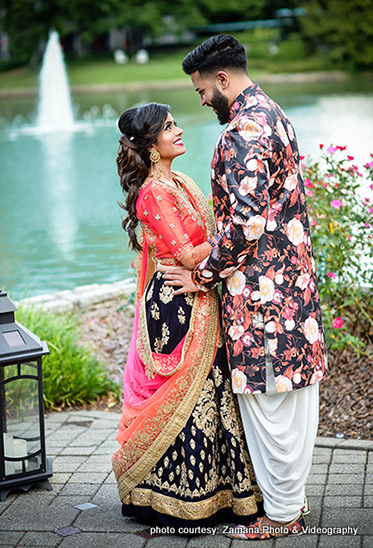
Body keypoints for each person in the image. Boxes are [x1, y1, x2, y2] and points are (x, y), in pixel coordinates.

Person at [161, 35, 328, 540]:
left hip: (262, 299)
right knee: (289, 400)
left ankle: (280, 518)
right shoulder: (274, 113)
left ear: (222, 79)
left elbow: (244, 226)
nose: (202, 99)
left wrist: (201, 275)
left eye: (202, 90)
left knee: (268, 403)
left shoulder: (242, 132)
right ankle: (289, 505)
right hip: (291, 288)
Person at [111, 102, 263, 534]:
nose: (178, 131)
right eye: (169, 127)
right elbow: (186, 254)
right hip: (178, 301)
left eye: (176, 124)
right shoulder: (152, 193)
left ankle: (221, 491)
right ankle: (171, 497)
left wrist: (222, 245)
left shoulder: (182, 181)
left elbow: (206, 248)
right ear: (151, 146)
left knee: (213, 387)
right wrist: (234, 239)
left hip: (198, 290)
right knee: (191, 393)